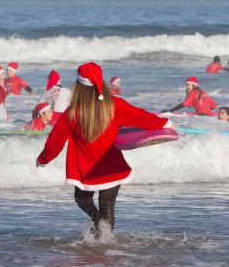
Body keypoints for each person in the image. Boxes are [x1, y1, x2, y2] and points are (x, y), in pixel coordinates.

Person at [36, 62, 174, 234]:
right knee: (107, 205)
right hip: (112, 167)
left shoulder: (72, 113)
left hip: (86, 170)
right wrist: (165, 123)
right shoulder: (115, 105)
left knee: (82, 198)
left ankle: (96, 218)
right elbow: (141, 117)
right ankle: (106, 246)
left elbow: (55, 141)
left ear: (79, 87)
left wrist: (42, 160)